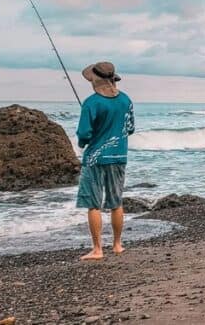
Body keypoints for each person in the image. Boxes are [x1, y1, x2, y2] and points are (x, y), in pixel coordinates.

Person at [75, 61, 135, 261]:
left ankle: (98, 249)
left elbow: (84, 133)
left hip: (94, 158)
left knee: (94, 204)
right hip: (119, 157)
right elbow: (130, 128)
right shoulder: (126, 100)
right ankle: (117, 245)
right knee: (116, 203)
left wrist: (84, 141)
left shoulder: (91, 102)